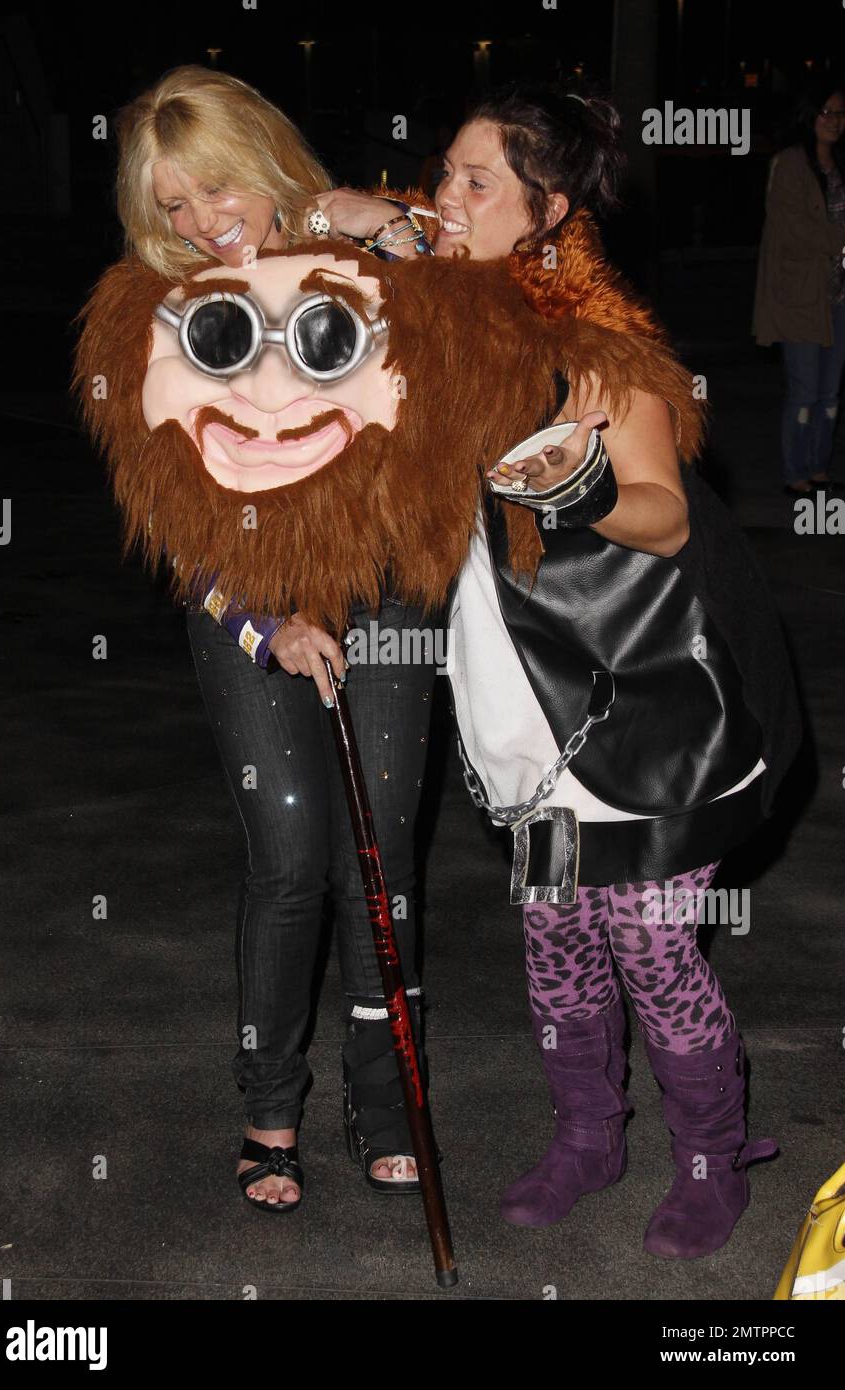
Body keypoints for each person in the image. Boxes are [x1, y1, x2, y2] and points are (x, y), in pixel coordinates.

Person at [313, 85, 803, 1259]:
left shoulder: (599, 346)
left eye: (479, 183)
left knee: (648, 946)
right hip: (525, 706)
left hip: (643, 708)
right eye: (445, 173)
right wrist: (367, 217)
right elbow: (341, 227)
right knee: (557, 941)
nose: (448, 198)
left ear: (547, 213)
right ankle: (587, 1137)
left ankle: (708, 1153)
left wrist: (575, 490)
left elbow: (666, 517)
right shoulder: (440, 317)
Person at [110, 65, 444, 1209]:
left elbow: (485, 296)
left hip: (391, 587)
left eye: (215, 190)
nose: (202, 224)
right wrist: (270, 617)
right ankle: (268, 1107)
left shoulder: (359, 257)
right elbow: (170, 522)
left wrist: (362, 214)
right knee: (293, 852)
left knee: (381, 857)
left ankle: (387, 1099)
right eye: (172, 206)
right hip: (246, 606)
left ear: (260, 160)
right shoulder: (151, 312)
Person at [753, 77, 845, 495]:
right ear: (809, 117)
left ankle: (819, 467)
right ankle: (796, 473)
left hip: (837, 298)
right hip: (800, 299)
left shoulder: (839, 166)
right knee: (805, 390)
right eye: (826, 112)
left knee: (829, 392)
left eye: (840, 113)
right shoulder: (790, 164)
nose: (834, 121)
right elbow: (794, 231)